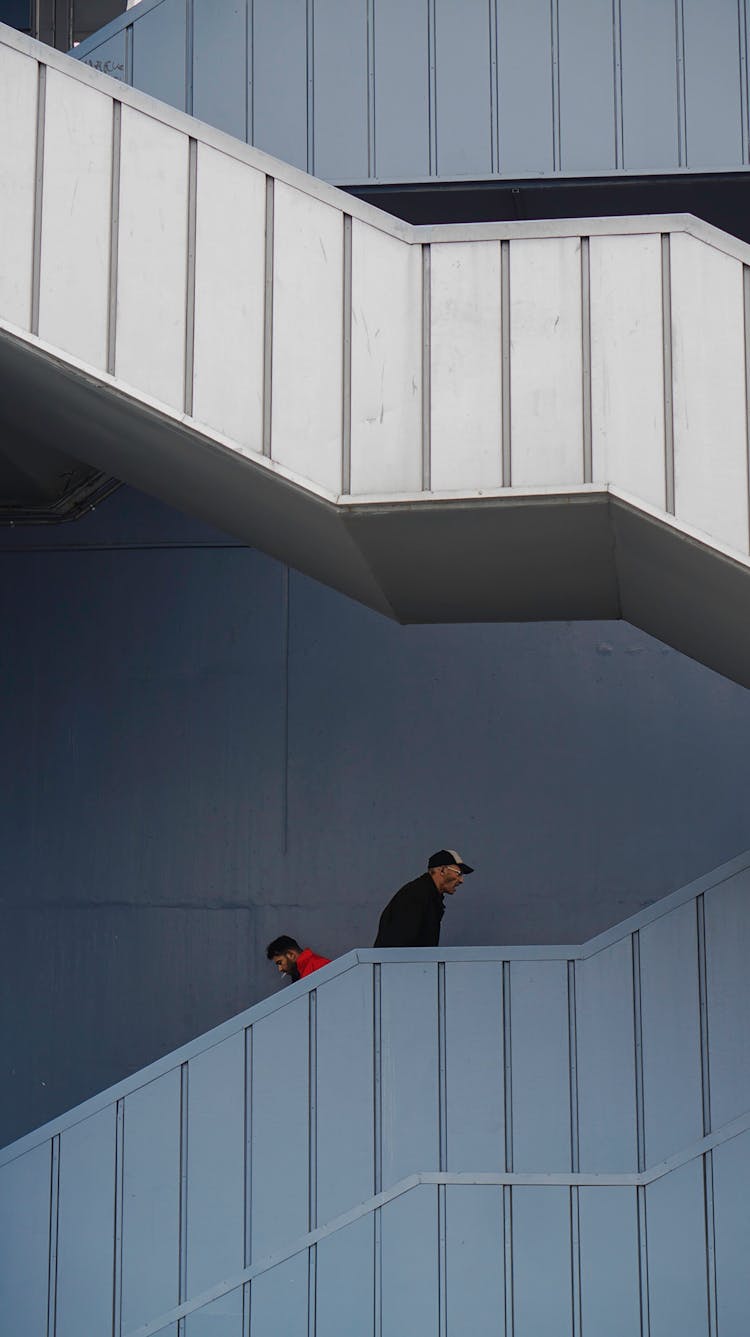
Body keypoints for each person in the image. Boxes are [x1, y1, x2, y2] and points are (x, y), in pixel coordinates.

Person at [373, 849, 474, 948]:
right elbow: (400, 945)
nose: (461, 880)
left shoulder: (426, 895)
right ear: (442, 870)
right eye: (459, 873)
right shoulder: (416, 895)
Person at [266, 935, 331, 982]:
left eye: (280, 963)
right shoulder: (298, 975)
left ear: (291, 955)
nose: (280, 969)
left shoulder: (320, 965)